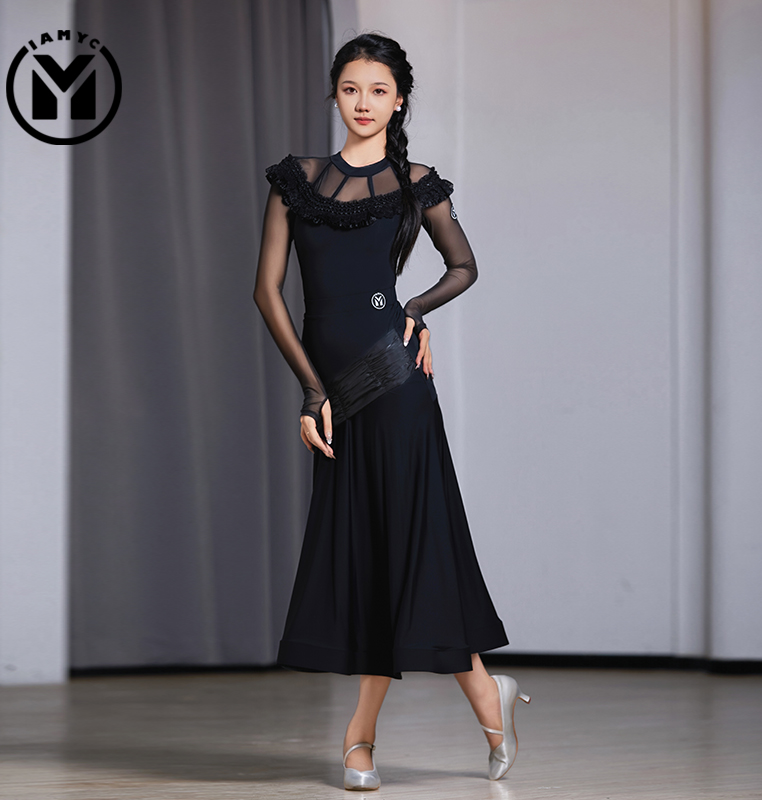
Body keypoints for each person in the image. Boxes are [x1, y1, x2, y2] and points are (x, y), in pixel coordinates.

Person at [252, 32, 530, 790]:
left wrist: (414, 311)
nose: (364, 103)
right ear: (335, 95)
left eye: (378, 90)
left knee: (408, 547)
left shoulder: (416, 183)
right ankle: (485, 696)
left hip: (396, 379)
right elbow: (267, 293)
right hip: (336, 392)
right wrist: (312, 391)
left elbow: (464, 266)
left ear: (398, 99)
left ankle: (361, 736)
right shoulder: (297, 179)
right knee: (370, 552)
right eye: (351, 89)